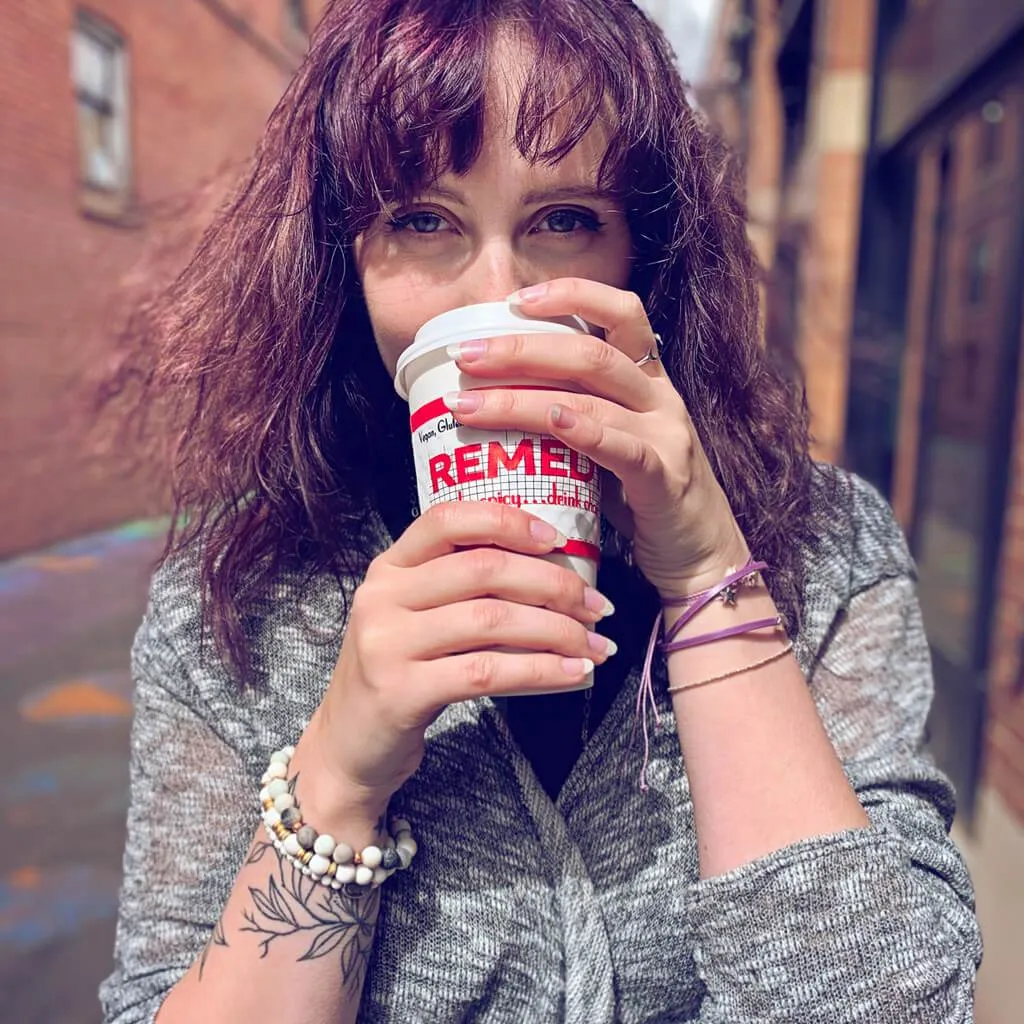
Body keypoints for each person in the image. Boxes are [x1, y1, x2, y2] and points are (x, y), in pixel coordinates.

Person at [98, 1, 982, 1022]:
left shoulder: (825, 554)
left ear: (640, 255)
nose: (495, 296)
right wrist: (337, 769)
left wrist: (705, 576)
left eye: (562, 219)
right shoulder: (236, 607)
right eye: (421, 220)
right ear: (345, 260)